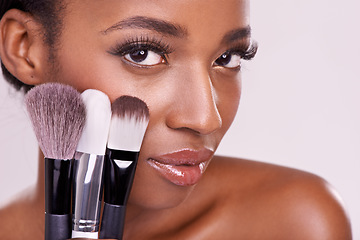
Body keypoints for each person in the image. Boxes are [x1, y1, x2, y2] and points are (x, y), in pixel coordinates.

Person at [0, 0, 352, 239]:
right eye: (143, 53)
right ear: (26, 48)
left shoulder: (294, 222)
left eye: (228, 57)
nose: (205, 118)